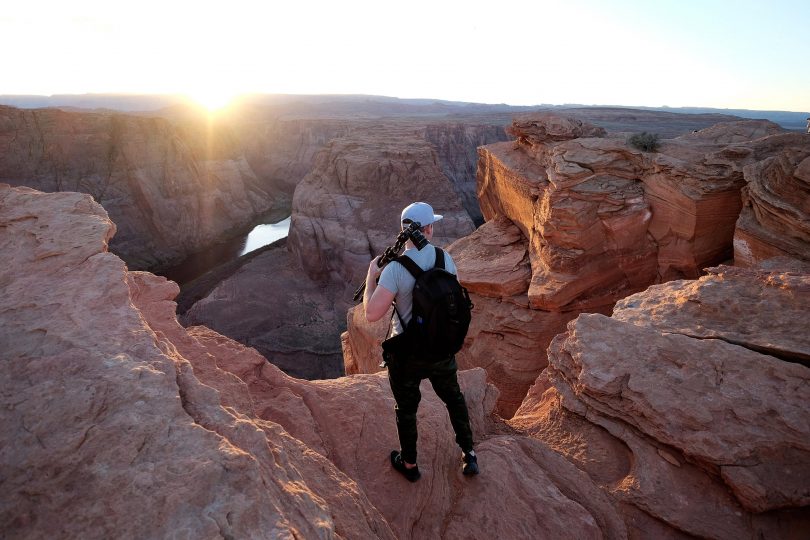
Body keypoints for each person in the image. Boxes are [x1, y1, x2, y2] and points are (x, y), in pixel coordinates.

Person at [363, 202, 478, 482]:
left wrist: (370, 278)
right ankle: (469, 453)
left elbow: (371, 314)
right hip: (441, 347)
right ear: (427, 229)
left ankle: (410, 464)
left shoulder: (395, 269)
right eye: (432, 225)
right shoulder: (443, 257)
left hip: (407, 355)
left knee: (407, 409)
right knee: (454, 398)